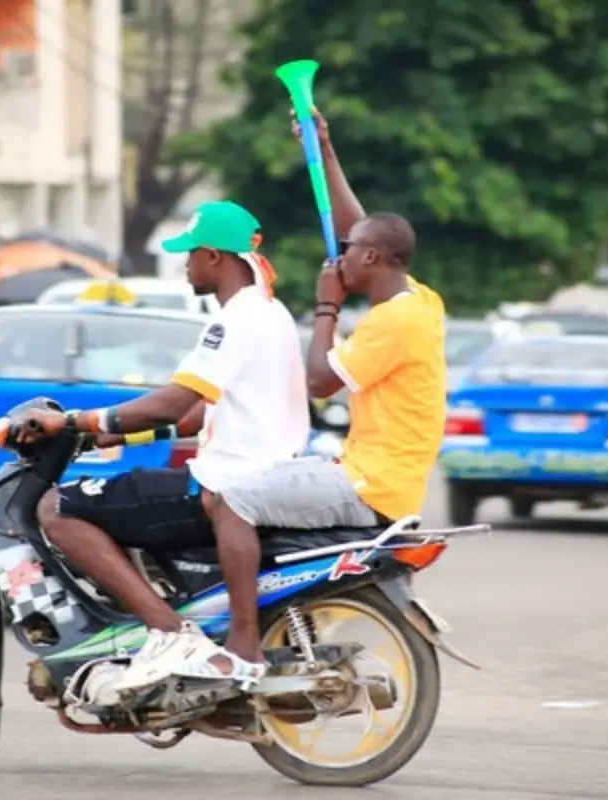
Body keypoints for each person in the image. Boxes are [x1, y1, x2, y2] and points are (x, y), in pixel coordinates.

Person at [124, 108, 447, 688]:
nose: (339, 256)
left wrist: (326, 304)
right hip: (379, 473)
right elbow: (359, 230)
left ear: (371, 262)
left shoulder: (391, 325)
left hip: (370, 484)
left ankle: (241, 645)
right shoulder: (419, 300)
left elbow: (320, 380)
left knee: (234, 500)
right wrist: (323, 151)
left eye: (349, 255)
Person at [16, 200, 310, 687]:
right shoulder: (269, 313)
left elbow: (172, 403)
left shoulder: (235, 320)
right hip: (256, 476)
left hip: (225, 483)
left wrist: (71, 419)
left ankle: (171, 632)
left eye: (189, 254)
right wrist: (101, 432)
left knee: (59, 510)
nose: (185, 265)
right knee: (118, 492)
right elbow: (196, 414)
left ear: (214, 256)